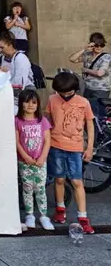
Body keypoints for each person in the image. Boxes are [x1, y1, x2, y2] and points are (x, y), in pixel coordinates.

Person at [46, 72, 95, 234]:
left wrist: (89, 148)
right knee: (58, 178)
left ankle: (83, 217)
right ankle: (60, 209)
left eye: (68, 93)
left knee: (77, 182)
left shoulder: (83, 102)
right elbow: (48, 120)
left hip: (75, 147)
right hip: (56, 145)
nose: (65, 95)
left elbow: (90, 124)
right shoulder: (53, 99)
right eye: (61, 92)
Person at [14, 89, 54, 231]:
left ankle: (43, 215)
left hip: (40, 161)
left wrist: (43, 157)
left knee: (40, 188)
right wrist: (25, 157)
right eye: (27, 102)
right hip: (24, 161)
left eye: (34, 102)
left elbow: (47, 140)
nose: (30, 105)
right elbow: (17, 141)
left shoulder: (42, 121)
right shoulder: (17, 121)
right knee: (27, 187)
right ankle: (29, 214)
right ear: (21, 104)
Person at [69, 32, 111, 119]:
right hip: (87, 88)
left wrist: (86, 70)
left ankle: (99, 132)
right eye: (96, 45)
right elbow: (72, 59)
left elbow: (100, 73)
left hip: (100, 89)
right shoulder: (87, 55)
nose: (99, 47)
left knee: (98, 114)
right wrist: (84, 49)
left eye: (102, 45)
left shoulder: (106, 57)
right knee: (87, 114)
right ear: (92, 44)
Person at [0, 32, 34, 113]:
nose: (0, 50)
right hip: (10, 93)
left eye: (2, 47)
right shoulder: (3, 58)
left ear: (10, 46)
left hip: (24, 94)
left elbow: (19, 84)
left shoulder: (21, 58)